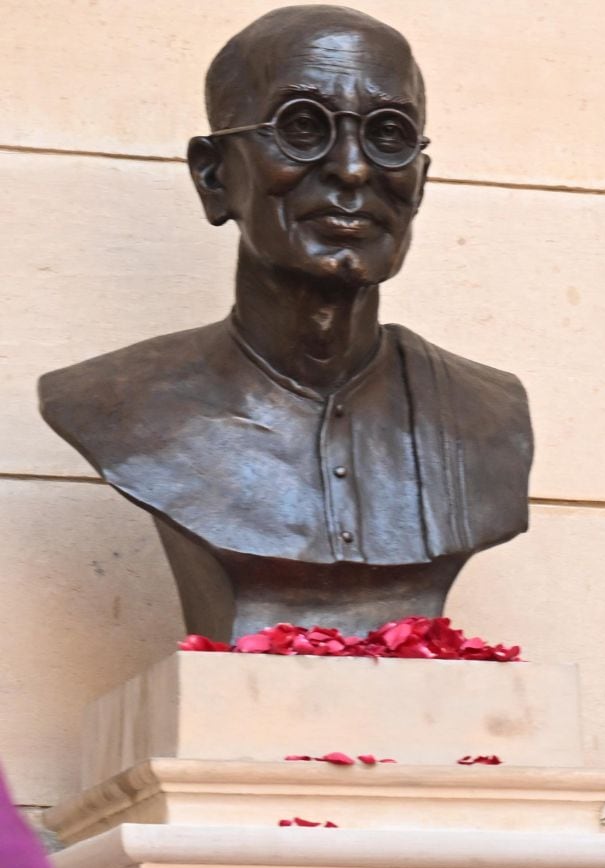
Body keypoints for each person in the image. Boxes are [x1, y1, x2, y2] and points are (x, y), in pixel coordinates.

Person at [37, 6, 533, 641]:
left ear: (420, 182)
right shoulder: (111, 403)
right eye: (303, 127)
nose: (353, 169)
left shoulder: (490, 415)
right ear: (214, 177)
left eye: (388, 135)